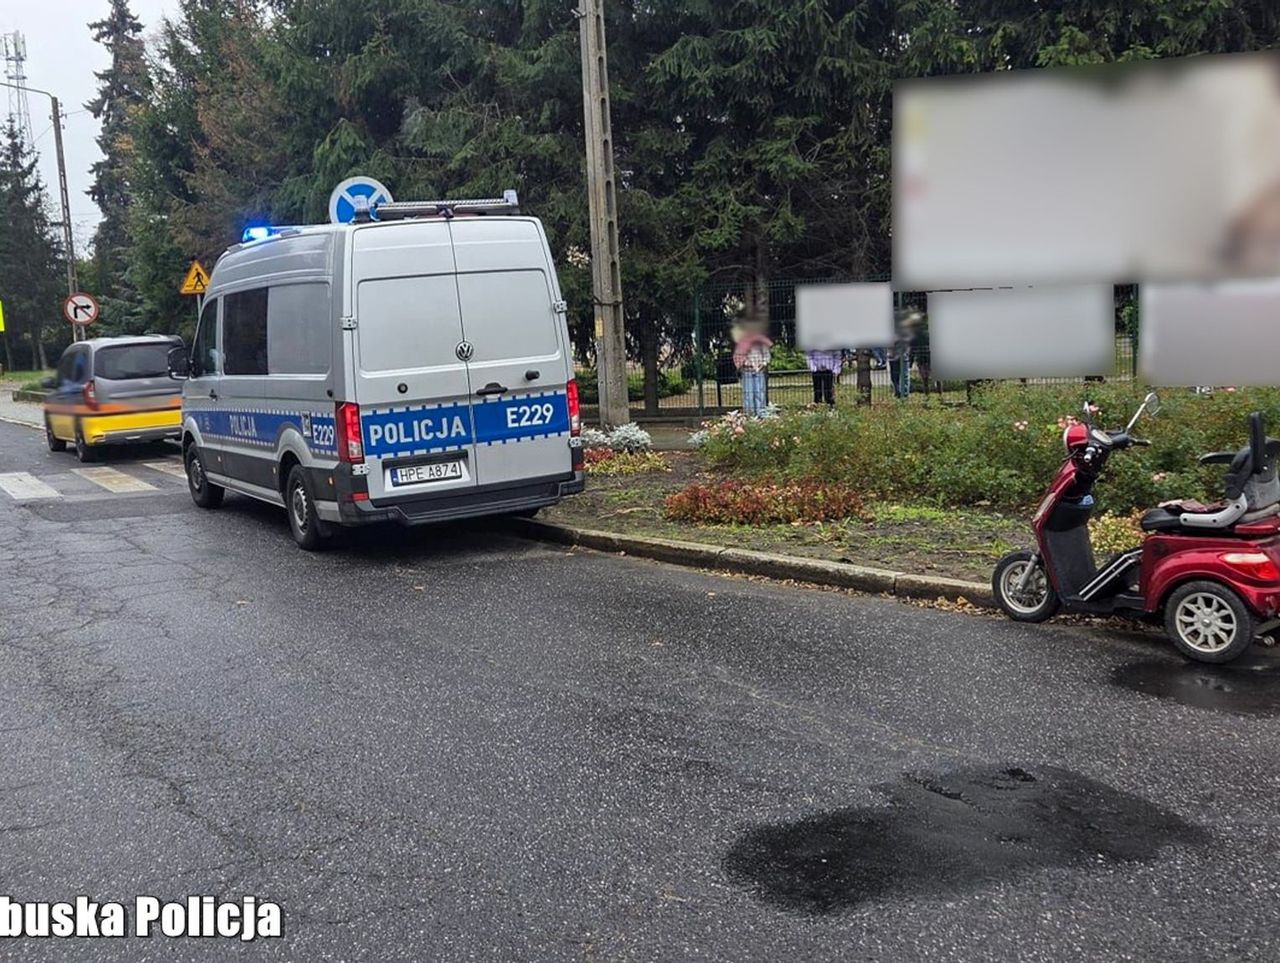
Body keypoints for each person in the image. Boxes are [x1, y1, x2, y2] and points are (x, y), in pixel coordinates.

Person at [733, 323, 773, 416]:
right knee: (748, 394)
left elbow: (767, 356)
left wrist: (763, 364)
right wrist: (741, 364)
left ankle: (761, 414)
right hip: (747, 370)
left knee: (760, 393)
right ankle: (749, 414)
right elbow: (737, 357)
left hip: (760, 370)